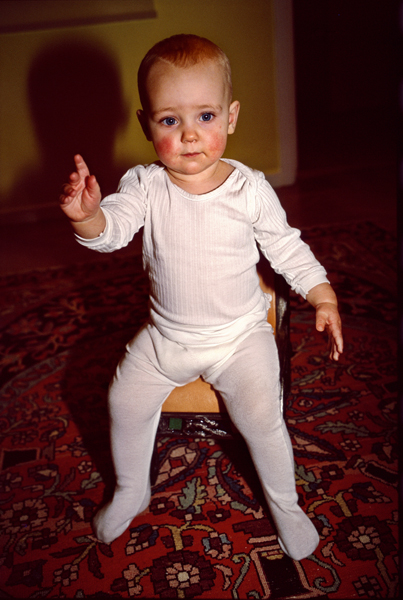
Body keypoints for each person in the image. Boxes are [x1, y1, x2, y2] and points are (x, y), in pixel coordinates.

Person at [60, 34, 343, 560]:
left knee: (262, 415)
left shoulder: (249, 189)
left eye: (206, 116)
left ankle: (285, 502)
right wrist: (89, 217)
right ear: (147, 125)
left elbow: (286, 246)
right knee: (124, 400)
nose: (190, 135)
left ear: (231, 117)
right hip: (168, 336)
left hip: (239, 335)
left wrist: (321, 295)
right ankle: (130, 488)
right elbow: (113, 231)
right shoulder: (145, 185)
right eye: (170, 121)